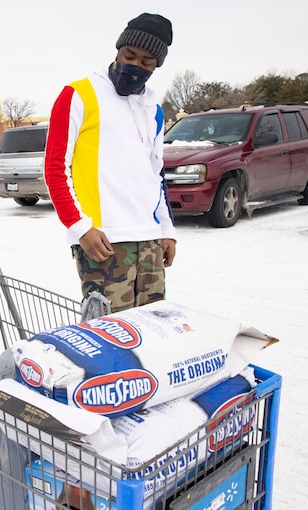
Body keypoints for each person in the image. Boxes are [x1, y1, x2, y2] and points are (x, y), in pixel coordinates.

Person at [44, 12, 177, 314]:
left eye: (146, 63)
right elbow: (54, 169)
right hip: (104, 241)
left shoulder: (154, 110)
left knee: (153, 333)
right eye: (129, 55)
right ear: (118, 49)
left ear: (156, 66)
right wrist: (80, 228)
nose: (135, 66)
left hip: (150, 239)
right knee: (110, 338)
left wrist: (167, 229)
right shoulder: (79, 94)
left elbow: (156, 174)